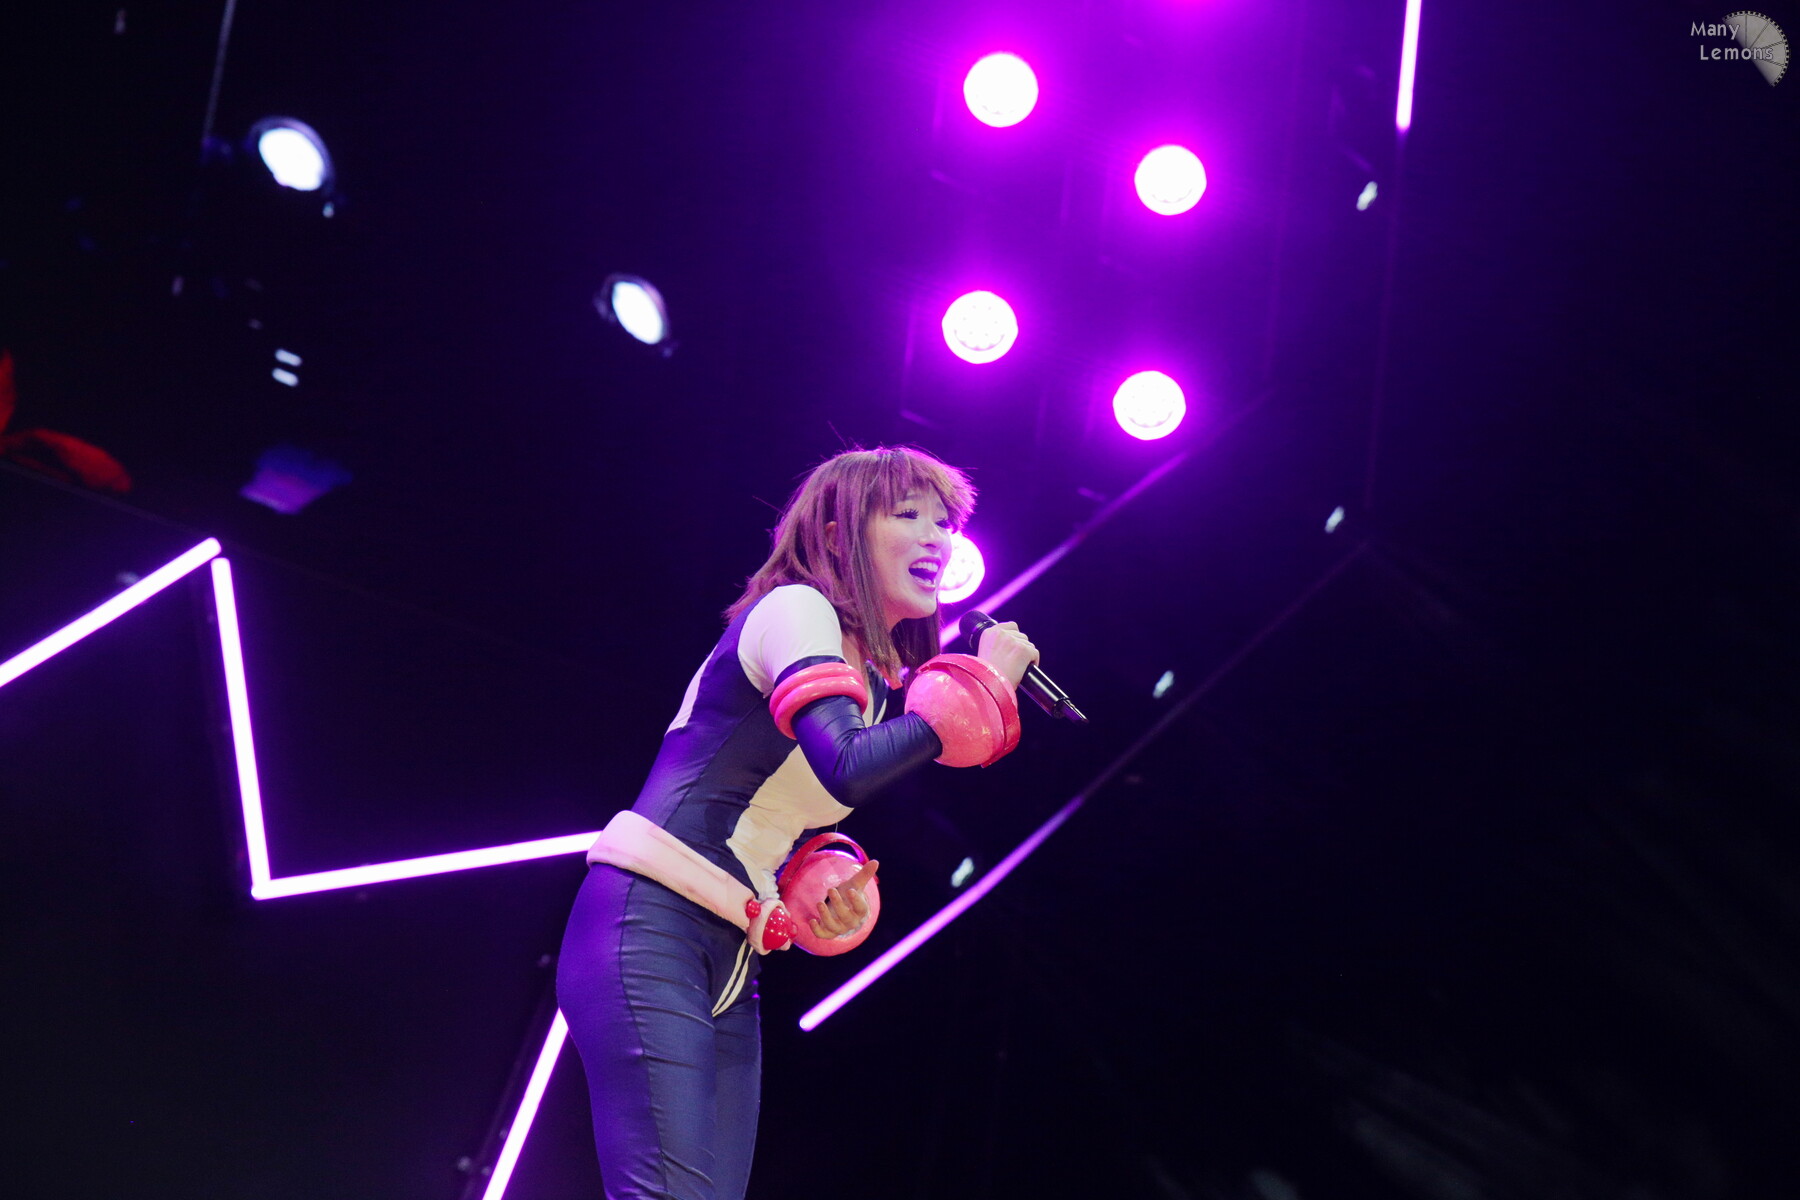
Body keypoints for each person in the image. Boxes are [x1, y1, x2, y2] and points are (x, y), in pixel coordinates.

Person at [556, 445, 1038, 1200]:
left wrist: (820, 879)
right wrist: (981, 686)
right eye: (908, 515)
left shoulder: (879, 682)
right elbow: (846, 765)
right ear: (840, 535)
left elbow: (777, 811)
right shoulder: (796, 609)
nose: (937, 538)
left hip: (733, 950)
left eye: (945, 523)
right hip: (651, 922)